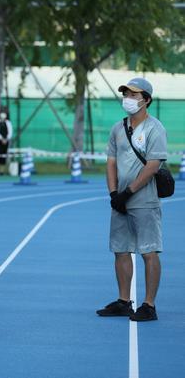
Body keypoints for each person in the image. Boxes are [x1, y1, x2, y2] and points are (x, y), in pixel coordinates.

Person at [97, 77, 167, 322]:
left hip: (144, 200)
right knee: (120, 250)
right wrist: (114, 193)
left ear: (146, 100)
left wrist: (129, 192)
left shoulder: (154, 128)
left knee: (149, 252)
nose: (128, 98)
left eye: (134, 95)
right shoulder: (118, 128)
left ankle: (149, 305)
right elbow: (111, 162)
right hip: (120, 202)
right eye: (125, 93)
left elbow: (152, 166)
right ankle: (124, 301)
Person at [0, 108, 13, 175]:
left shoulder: (8, 122)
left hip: (6, 141)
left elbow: (10, 131)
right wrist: (1, 139)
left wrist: (6, 139)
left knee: (4, 155)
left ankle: (2, 171)